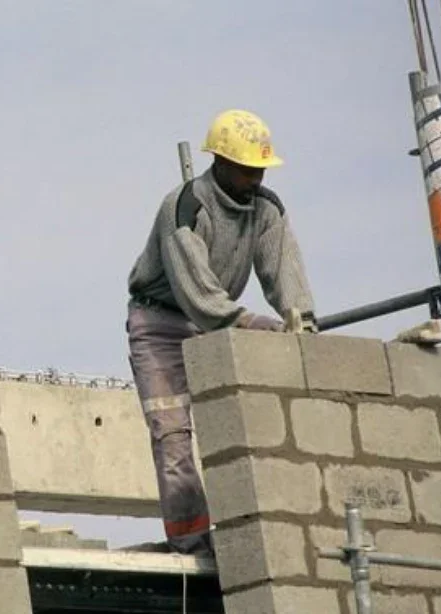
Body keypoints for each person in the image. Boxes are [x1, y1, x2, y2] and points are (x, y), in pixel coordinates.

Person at [125, 109, 315, 554]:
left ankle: (254, 535)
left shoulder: (267, 210)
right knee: (172, 436)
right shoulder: (185, 207)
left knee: (249, 426)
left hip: (219, 320)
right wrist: (248, 323)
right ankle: (190, 542)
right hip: (162, 325)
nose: (256, 178)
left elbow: (284, 272)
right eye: (248, 169)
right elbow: (197, 292)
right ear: (221, 163)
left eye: (261, 169)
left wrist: (301, 323)